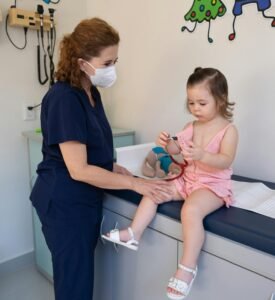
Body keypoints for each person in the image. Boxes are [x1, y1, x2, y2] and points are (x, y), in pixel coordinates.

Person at [30, 17, 173, 300]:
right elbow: (79, 169)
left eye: (115, 61)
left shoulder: (91, 92)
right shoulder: (64, 98)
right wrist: (135, 185)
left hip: (81, 200)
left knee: (79, 279)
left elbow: (94, 150)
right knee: (75, 288)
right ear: (82, 62)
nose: (112, 70)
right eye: (107, 64)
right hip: (64, 203)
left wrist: (115, 168)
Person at [102, 67, 238, 299]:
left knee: (191, 210)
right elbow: (177, 152)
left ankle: (187, 267)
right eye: (191, 103)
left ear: (221, 99)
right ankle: (134, 233)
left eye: (202, 103)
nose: (195, 108)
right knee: (154, 190)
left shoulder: (228, 130)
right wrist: (167, 144)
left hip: (212, 184)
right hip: (188, 179)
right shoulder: (190, 126)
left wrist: (204, 156)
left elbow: (226, 160)